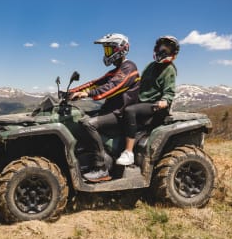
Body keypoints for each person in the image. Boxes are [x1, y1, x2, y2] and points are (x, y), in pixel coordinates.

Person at [70, 33, 140, 182]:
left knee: (88, 124)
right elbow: (96, 82)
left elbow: (112, 87)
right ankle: (85, 156)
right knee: (79, 116)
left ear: (120, 49)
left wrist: (87, 94)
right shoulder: (115, 71)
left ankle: (101, 168)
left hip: (120, 113)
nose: (106, 54)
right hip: (110, 110)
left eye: (109, 50)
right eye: (105, 51)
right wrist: (71, 92)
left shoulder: (129, 68)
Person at [116, 35, 179, 166]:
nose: (162, 53)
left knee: (129, 111)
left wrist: (164, 101)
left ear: (172, 53)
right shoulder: (151, 66)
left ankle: (128, 153)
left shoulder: (169, 70)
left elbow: (169, 91)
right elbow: (140, 83)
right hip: (143, 102)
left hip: (155, 106)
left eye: (166, 51)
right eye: (161, 49)